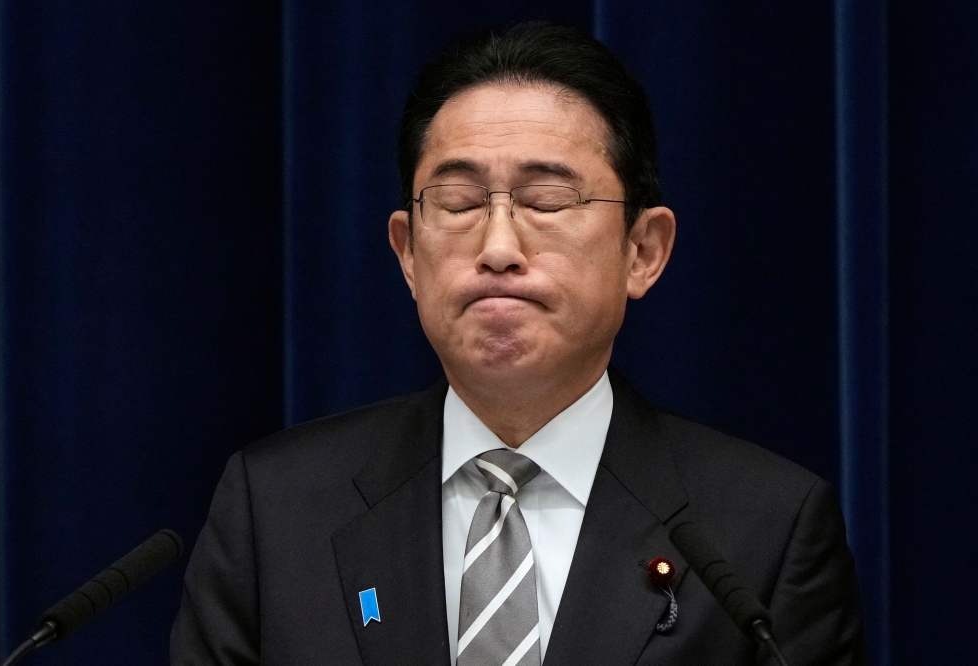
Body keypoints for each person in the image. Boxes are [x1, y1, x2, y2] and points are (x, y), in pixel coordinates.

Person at [170, 22, 868, 666]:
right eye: (459, 203)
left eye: (546, 201)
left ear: (643, 251)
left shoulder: (765, 530)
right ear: (408, 252)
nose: (498, 247)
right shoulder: (276, 509)